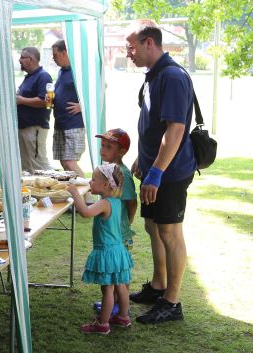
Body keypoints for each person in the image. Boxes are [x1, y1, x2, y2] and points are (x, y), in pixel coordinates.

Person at [125, 20, 196, 324]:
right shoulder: (153, 76)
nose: (129, 52)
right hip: (154, 167)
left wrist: (156, 172)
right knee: (153, 227)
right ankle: (158, 286)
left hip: (170, 171)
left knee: (169, 231)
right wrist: (143, 159)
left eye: (132, 46)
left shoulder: (172, 76)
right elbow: (153, 124)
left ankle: (172, 302)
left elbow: (176, 130)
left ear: (149, 43)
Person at [66, 164, 134, 334]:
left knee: (107, 290)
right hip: (117, 250)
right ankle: (123, 317)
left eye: (93, 179)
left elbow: (85, 213)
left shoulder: (104, 203)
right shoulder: (116, 202)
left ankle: (102, 324)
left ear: (105, 185)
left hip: (107, 251)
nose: (90, 181)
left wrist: (75, 193)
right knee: (120, 286)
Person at [93, 128, 138, 316]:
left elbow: (132, 202)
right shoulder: (109, 170)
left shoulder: (122, 174)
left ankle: (119, 303)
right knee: (115, 269)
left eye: (109, 147)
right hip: (112, 229)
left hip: (119, 230)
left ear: (121, 152)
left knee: (120, 270)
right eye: (103, 145)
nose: (103, 150)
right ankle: (114, 301)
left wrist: (126, 224)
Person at [50, 40, 86, 178]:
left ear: (64, 52)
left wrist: (83, 107)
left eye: (55, 55)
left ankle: (88, 196)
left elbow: (100, 87)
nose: (53, 58)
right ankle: (76, 195)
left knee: (69, 162)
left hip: (74, 125)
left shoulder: (79, 70)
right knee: (64, 163)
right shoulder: (61, 71)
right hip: (60, 123)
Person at [16, 47, 53, 172]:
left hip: (35, 128)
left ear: (31, 59)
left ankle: (56, 189)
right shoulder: (29, 77)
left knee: (40, 166)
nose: (19, 60)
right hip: (24, 128)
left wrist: (21, 100)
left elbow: (47, 102)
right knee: (26, 168)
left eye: (22, 57)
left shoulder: (44, 76)